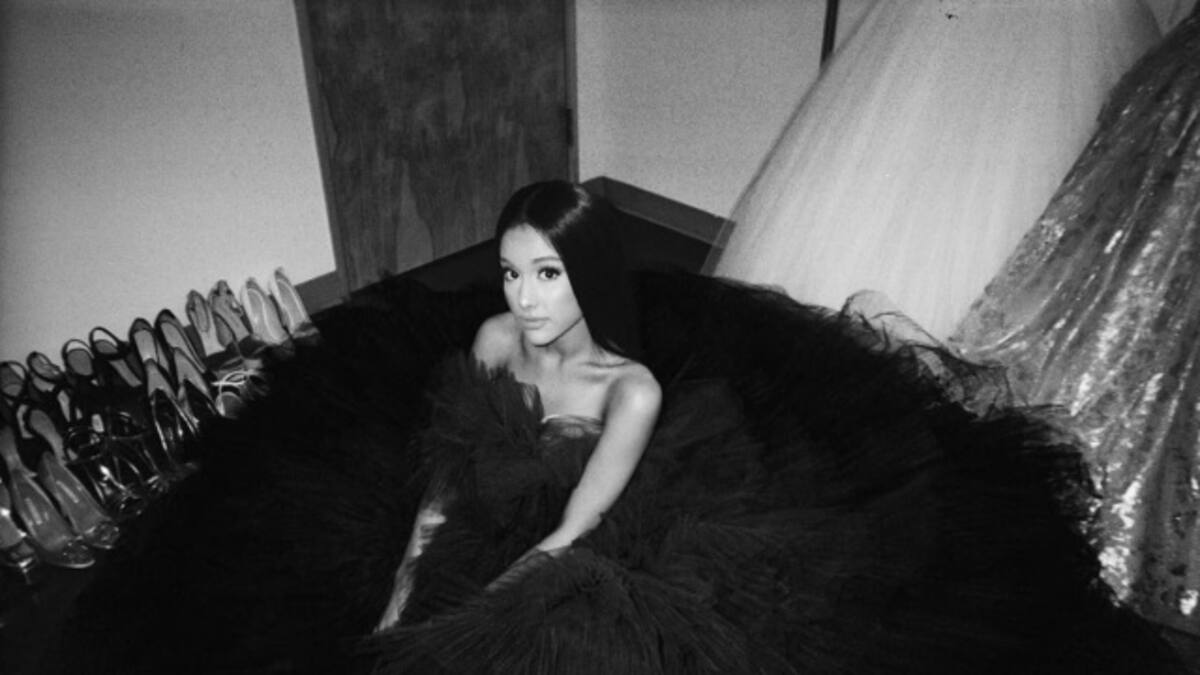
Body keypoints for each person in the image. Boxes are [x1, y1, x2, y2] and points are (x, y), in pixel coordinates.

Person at [65, 181, 1184, 674]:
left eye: (547, 274)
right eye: (511, 271)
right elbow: (447, 471)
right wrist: (406, 579)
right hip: (488, 507)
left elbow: (575, 532)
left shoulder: (633, 390)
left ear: (588, 272)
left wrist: (475, 615)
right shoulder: (492, 342)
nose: (522, 297)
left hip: (573, 542)